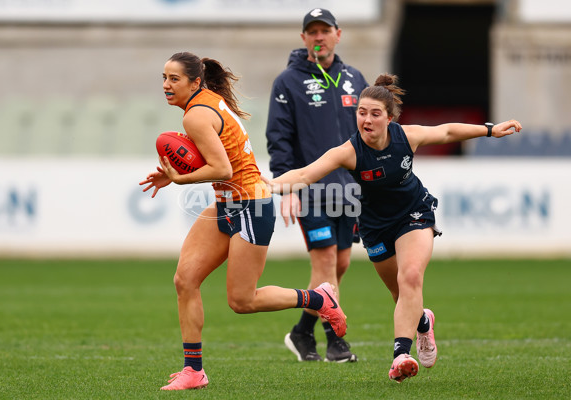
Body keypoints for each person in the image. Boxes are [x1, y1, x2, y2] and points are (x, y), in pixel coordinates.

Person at [267, 73, 522, 382]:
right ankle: (423, 323)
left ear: (389, 118)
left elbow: (446, 131)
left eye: (375, 113)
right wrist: (265, 184)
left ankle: (401, 355)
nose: (367, 119)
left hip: (414, 213)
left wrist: (491, 130)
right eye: (362, 112)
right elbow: (305, 175)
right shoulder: (348, 152)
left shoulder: (405, 136)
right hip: (374, 226)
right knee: (399, 291)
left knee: (411, 275)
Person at [139, 52, 348, 391]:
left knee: (242, 301)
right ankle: (194, 371)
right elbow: (217, 165)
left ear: (195, 83)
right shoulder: (205, 104)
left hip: (251, 205)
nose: (166, 85)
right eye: (164, 77)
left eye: (174, 79)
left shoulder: (196, 115)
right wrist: (175, 174)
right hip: (227, 202)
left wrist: (179, 179)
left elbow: (222, 169)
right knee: (185, 279)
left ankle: (318, 299)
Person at [265, 8, 368, 363]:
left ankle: (301, 333)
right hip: (311, 191)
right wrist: (288, 188)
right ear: (304, 38)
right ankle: (336, 343)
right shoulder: (288, 82)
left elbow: (367, 137)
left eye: (325, 31)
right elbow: (279, 139)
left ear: (338, 34)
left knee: (340, 266)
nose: (319, 37)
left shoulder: (355, 78)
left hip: (350, 192)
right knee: (325, 264)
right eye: (312, 32)